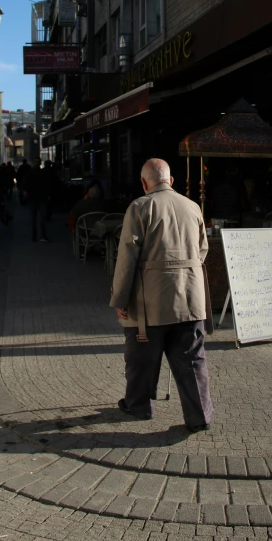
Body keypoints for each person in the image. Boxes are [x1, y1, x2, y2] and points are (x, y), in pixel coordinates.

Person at [110, 158, 213, 433]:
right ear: (171, 181)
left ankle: (140, 406)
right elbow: (202, 250)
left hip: (149, 302)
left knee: (142, 359)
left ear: (145, 183)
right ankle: (199, 415)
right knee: (192, 359)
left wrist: (120, 299)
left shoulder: (140, 207)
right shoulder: (193, 207)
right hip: (190, 299)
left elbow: (127, 257)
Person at [23, 157, 52, 242]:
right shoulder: (35, 173)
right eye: (35, 161)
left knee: (38, 218)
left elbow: (47, 184)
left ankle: (38, 235)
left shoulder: (38, 172)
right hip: (36, 197)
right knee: (36, 218)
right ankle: (39, 235)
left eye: (37, 162)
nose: (36, 163)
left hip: (39, 197)